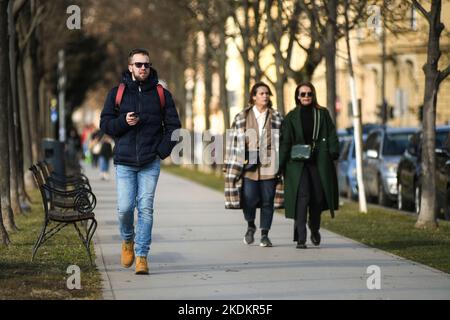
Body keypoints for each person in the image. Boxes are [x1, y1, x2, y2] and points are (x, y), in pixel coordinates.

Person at [100, 48, 181, 274]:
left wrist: (160, 151)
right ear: (130, 67)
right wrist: (124, 122)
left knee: (145, 208)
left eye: (146, 64)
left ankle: (142, 256)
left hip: (149, 162)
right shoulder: (116, 93)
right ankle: (127, 240)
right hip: (124, 161)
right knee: (125, 209)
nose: (143, 68)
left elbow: (174, 128)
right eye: (138, 64)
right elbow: (105, 125)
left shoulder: (161, 94)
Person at [279, 82, 339, 249]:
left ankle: (314, 228)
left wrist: (333, 151)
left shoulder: (322, 113)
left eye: (309, 94)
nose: (306, 97)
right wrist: (280, 164)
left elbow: (332, 133)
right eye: (302, 94)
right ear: (297, 96)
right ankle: (301, 238)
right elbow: (285, 142)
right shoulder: (291, 116)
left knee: (318, 198)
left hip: (318, 162)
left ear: (313, 95)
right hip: (297, 165)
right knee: (302, 197)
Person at [224, 82, 284, 247]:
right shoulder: (242, 117)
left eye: (267, 94)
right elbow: (233, 141)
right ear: (254, 96)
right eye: (262, 93)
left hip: (270, 164)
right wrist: (230, 163)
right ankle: (251, 225)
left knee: (268, 200)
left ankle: (265, 234)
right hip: (248, 165)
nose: (265, 96)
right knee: (249, 198)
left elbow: (283, 141)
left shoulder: (277, 117)